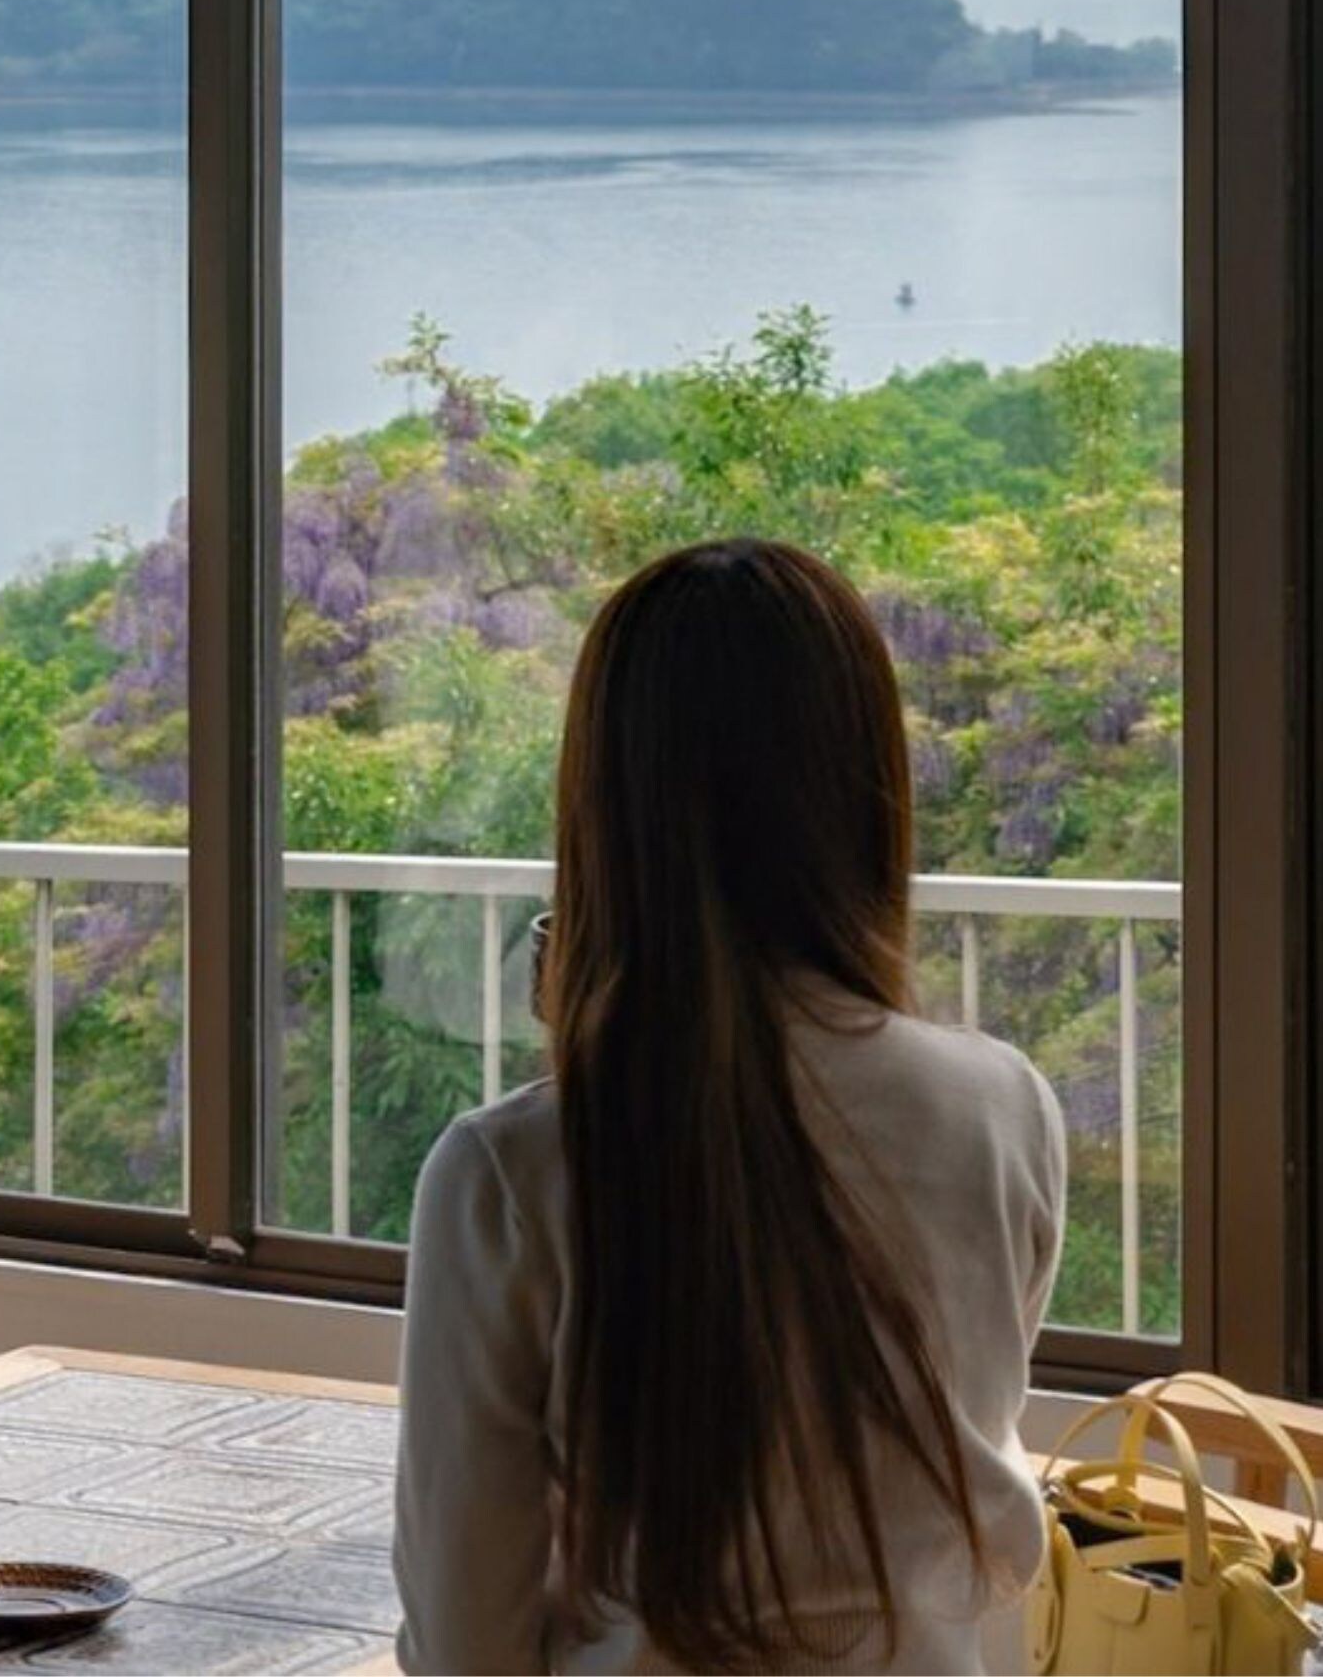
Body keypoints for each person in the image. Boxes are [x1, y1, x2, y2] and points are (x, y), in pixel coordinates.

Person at [392, 539, 1066, 1674]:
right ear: (865, 788)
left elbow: (464, 1644)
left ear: (601, 804)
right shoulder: (1003, 1107)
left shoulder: (511, 1167)